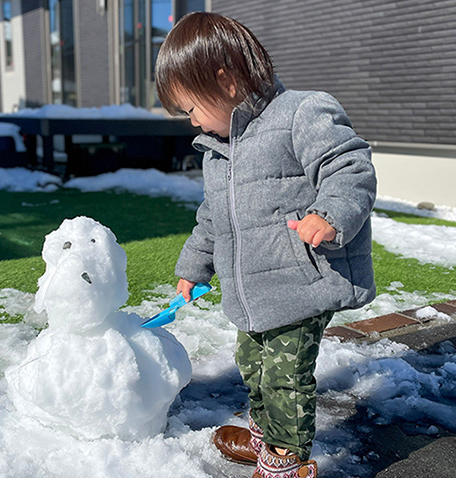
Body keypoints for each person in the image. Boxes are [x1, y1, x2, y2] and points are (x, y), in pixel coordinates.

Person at [155, 11, 376, 478]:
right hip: (252, 290)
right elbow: (212, 217)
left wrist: (330, 215)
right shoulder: (218, 151)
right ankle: (264, 431)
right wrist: (194, 266)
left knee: (284, 375)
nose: (191, 121)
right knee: (251, 363)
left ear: (226, 80)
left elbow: (349, 166)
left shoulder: (303, 111)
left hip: (302, 281)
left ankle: (285, 457)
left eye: (191, 108)